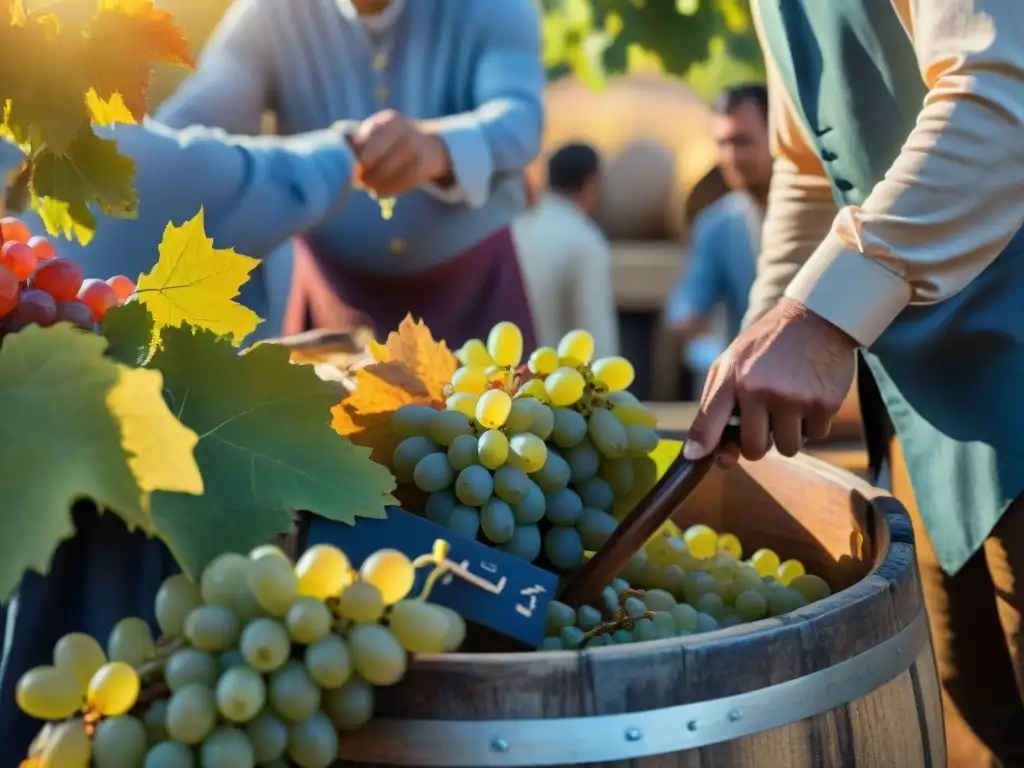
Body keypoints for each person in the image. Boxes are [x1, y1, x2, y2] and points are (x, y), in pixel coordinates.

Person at [684, 2, 1024, 766]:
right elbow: (810, 170)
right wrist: (762, 334)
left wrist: (819, 320)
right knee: (981, 715)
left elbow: (1001, 93)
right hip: (926, 416)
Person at [154, 0, 544, 350]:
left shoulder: (495, 6)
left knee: (488, 420)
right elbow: (194, 119)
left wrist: (437, 147)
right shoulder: (268, 13)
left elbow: (519, 119)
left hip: (472, 296)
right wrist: (119, 145)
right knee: (326, 429)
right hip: (333, 301)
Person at [664, 85, 770, 389]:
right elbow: (689, 302)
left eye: (742, 141)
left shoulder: (822, 213)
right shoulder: (717, 224)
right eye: (722, 143)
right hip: (753, 385)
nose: (731, 156)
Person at [510, 143, 619, 356]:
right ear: (591, 183)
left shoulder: (516, 227)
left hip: (500, 378)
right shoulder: (586, 240)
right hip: (553, 383)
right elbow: (597, 337)